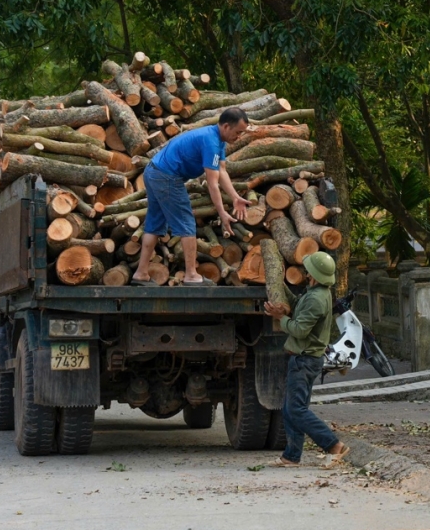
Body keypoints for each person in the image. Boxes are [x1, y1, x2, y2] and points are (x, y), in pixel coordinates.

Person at [131, 108, 251, 286]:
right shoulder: (210, 142)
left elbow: (222, 170)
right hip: (166, 176)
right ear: (226, 126)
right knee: (187, 223)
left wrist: (234, 197)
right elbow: (212, 183)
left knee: (155, 223)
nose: (239, 136)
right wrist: (222, 212)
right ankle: (191, 275)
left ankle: (140, 274)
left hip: (153, 172)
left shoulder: (219, 140)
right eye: (238, 132)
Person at [264, 251, 349, 468]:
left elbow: (300, 330)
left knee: (296, 409)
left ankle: (333, 445)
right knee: (290, 408)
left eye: (308, 269)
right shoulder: (316, 293)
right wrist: (279, 284)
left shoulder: (316, 299)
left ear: (314, 274)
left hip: (305, 360)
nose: (305, 272)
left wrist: (280, 318)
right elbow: (297, 305)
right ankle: (291, 456)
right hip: (306, 359)